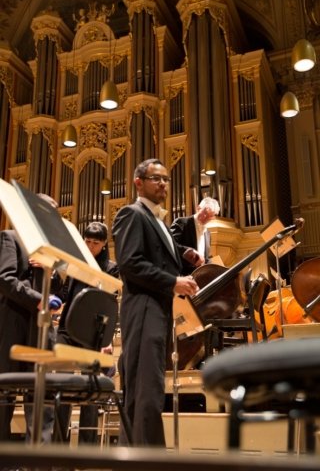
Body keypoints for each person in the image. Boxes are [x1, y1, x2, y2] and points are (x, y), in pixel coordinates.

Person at [112, 158, 199, 447]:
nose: (163, 183)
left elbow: (159, 252)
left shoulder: (156, 219)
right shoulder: (132, 213)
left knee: (147, 389)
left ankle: (135, 456)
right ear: (138, 182)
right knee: (145, 388)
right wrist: (173, 281)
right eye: (155, 178)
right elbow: (130, 263)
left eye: (166, 179)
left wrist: (183, 252)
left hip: (157, 308)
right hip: (143, 307)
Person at [0, 193, 62, 443]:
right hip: (14, 327)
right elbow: (5, 279)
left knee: (41, 400)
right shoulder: (10, 238)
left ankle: (38, 462)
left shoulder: (51, 252)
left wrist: (51, 271)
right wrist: (39, 298)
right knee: (4, 400)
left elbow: (57, 289)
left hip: (41, 332)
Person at [54, 221, 118, 445]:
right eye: (87, 241)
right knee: (62, 384)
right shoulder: (75, 263)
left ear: (103, 244)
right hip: (66, 328)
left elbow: (109, 306)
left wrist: (107, 339)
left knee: (90, 389)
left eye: (95, 243)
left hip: (94, 334)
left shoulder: (110, 268)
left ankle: (86, 445)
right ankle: (58, 444)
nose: (90, 246)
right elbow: (64, 293)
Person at [170, 197, 220, 276]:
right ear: (198, 208)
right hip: (182, 275)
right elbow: (170, 245)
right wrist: (190, 253)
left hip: (200, 278)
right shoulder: (181, 223)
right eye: (205, 213)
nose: (205, 218)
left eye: (210, 216)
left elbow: (206, 258)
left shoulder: (208, 234)